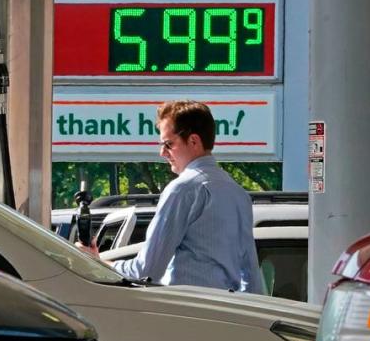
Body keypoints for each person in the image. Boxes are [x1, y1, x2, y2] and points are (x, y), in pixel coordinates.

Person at [77, 100, 264, 294]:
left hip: (184, 313)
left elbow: (147, 271)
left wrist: (98, 263)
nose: (162, 152)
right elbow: (252, 279)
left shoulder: (183, 189)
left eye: (168, 144)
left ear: (193, 141)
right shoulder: (238, 193)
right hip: (228, 314)